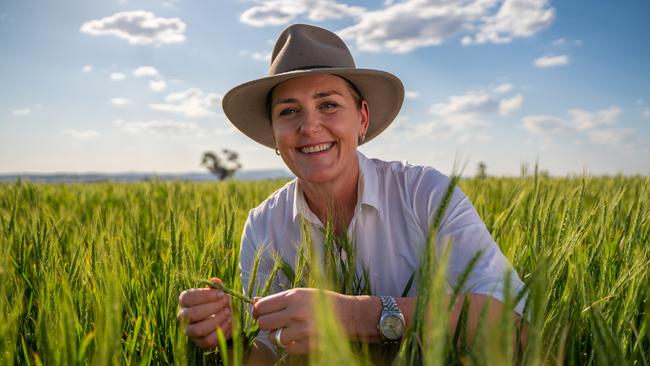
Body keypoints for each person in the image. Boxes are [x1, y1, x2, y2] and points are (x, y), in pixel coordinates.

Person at [177, 23, 526, 364]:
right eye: (289, 111)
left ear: (362, 119)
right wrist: (231, 340)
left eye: (328, 105)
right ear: (274, 133)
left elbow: (514, 326)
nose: (309, 126)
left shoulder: (426, 193)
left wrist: (352, 315)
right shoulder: (263, 224)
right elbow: (272, 353)